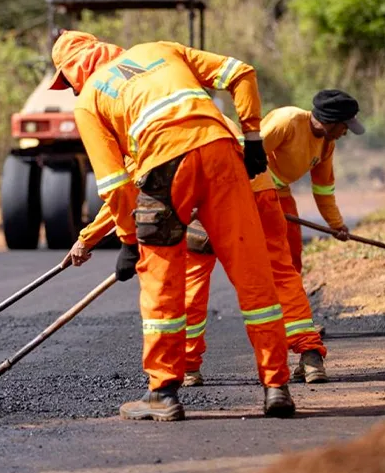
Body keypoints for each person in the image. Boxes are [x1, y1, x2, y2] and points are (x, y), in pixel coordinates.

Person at [48, 30, 295, 421]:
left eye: (69, 82)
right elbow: (241, 72)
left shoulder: (90, 99)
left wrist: (129, 242)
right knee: (252, 271)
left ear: (72, 71)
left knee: (161, 279)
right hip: (221, 152)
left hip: (164, 167)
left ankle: (163, 393)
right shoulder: (159, 49)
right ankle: (276, 386)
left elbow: (113, 182)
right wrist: (252, 138)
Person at [71, 118, 329, 387]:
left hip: (212, 191)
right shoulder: (202, 110)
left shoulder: (150, 126)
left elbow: (123, 190)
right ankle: (309, 355)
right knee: (280, 274)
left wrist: (86, 240)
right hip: (260, 190)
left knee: (193, 278)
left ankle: (189, 366)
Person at [262, 90, 364, 273]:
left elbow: (323, 190)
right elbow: (245, 156)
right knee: (262, 249)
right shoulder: (287, 121)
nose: (345, 133)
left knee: (292, 247)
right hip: (253, 187)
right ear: (331, 121)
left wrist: (336, 225)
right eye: (345, 127)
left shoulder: (327, 146)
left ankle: (290, 297)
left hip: (280, 192)